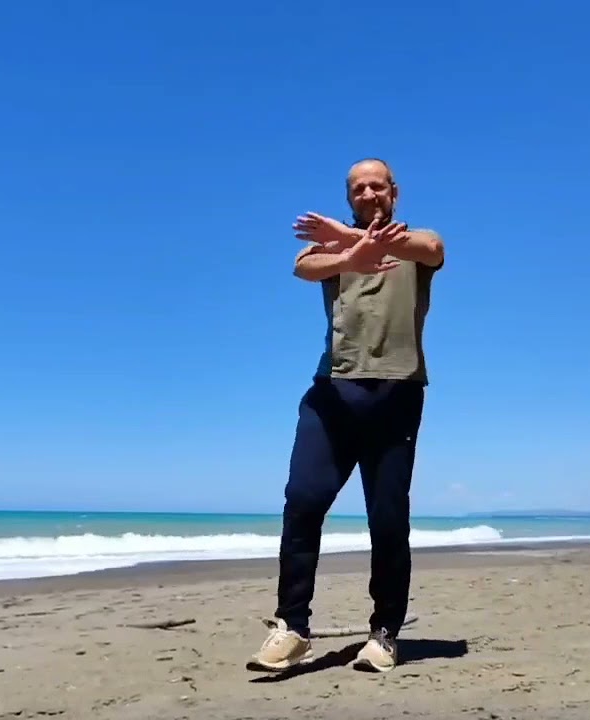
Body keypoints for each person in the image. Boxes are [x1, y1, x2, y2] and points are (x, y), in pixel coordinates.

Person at [247, 158, 445, 674]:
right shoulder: (333, 247)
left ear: (394, 193)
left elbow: (433, 250)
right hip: (334, 391)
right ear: (348, 198)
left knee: (387, 518)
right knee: (303, 502)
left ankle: (384, 633)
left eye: (376, 185)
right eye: (358, 188)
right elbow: (303, 266)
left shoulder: (418, 242)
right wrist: (350, 249)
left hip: (397, 393)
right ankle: (292, 628)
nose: (367, 193)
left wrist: (368, 244)